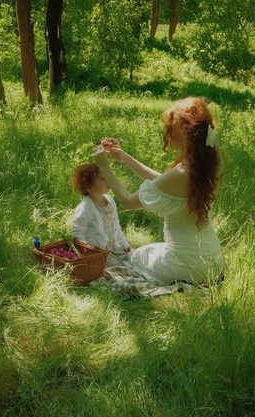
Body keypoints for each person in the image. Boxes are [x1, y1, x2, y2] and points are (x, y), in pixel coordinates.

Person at [94, 97, 225, 286]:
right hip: (213, 263)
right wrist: (125, 158)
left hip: (187, 266)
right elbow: (163, 182)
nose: (168, 134)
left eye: (171, 129)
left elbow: (129, 201)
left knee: (137, 256)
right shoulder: (210, 164)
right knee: (150, 250)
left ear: (185, 133)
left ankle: (177, 275)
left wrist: (104, 168)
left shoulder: (182, 173)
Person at [71, 163, 131, 263]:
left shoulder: (110, 201)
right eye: (102, 179)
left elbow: (116, 225)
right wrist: (88, 253)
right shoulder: (85, 207)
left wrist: (124, 244)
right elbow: (78, 232)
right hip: (97, 252)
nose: (108, 181)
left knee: (133, 260)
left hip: (113, 248)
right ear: (88, 186)